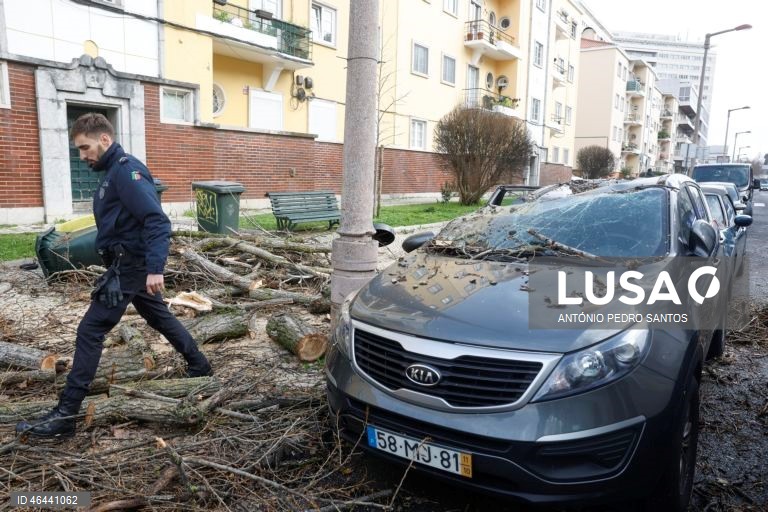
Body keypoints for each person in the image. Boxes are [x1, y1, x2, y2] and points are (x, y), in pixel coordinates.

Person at [16, 113, 212, 439]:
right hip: (125, 265)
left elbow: (157, 221)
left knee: (90, 329)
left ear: (104, 139)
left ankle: (66, 415)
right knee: (160, 317)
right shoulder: (113, 171)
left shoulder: (126, 171)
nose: (82, 156)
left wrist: (154, 267)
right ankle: (200, 366)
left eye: (84, 147)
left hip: (132, 267)